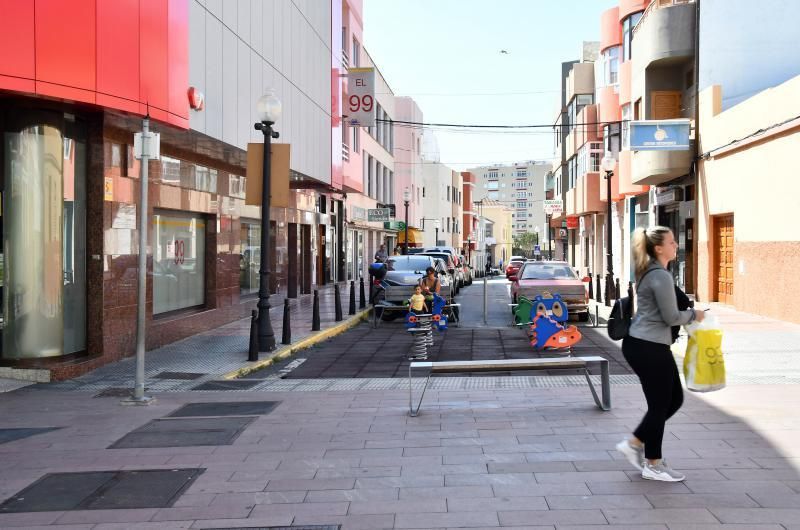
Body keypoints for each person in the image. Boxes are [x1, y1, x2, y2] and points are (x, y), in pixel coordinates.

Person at [615, 226, 705, 483]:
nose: (676, 245)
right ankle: (635, 445)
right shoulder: (659, 276)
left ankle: (652, 462)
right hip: (648, 346)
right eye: (672, 242)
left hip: (645, 345)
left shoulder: (653, 272)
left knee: (668, 401)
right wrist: (695, 316)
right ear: (658, 248)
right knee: (665, 403)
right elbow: (672, 317)